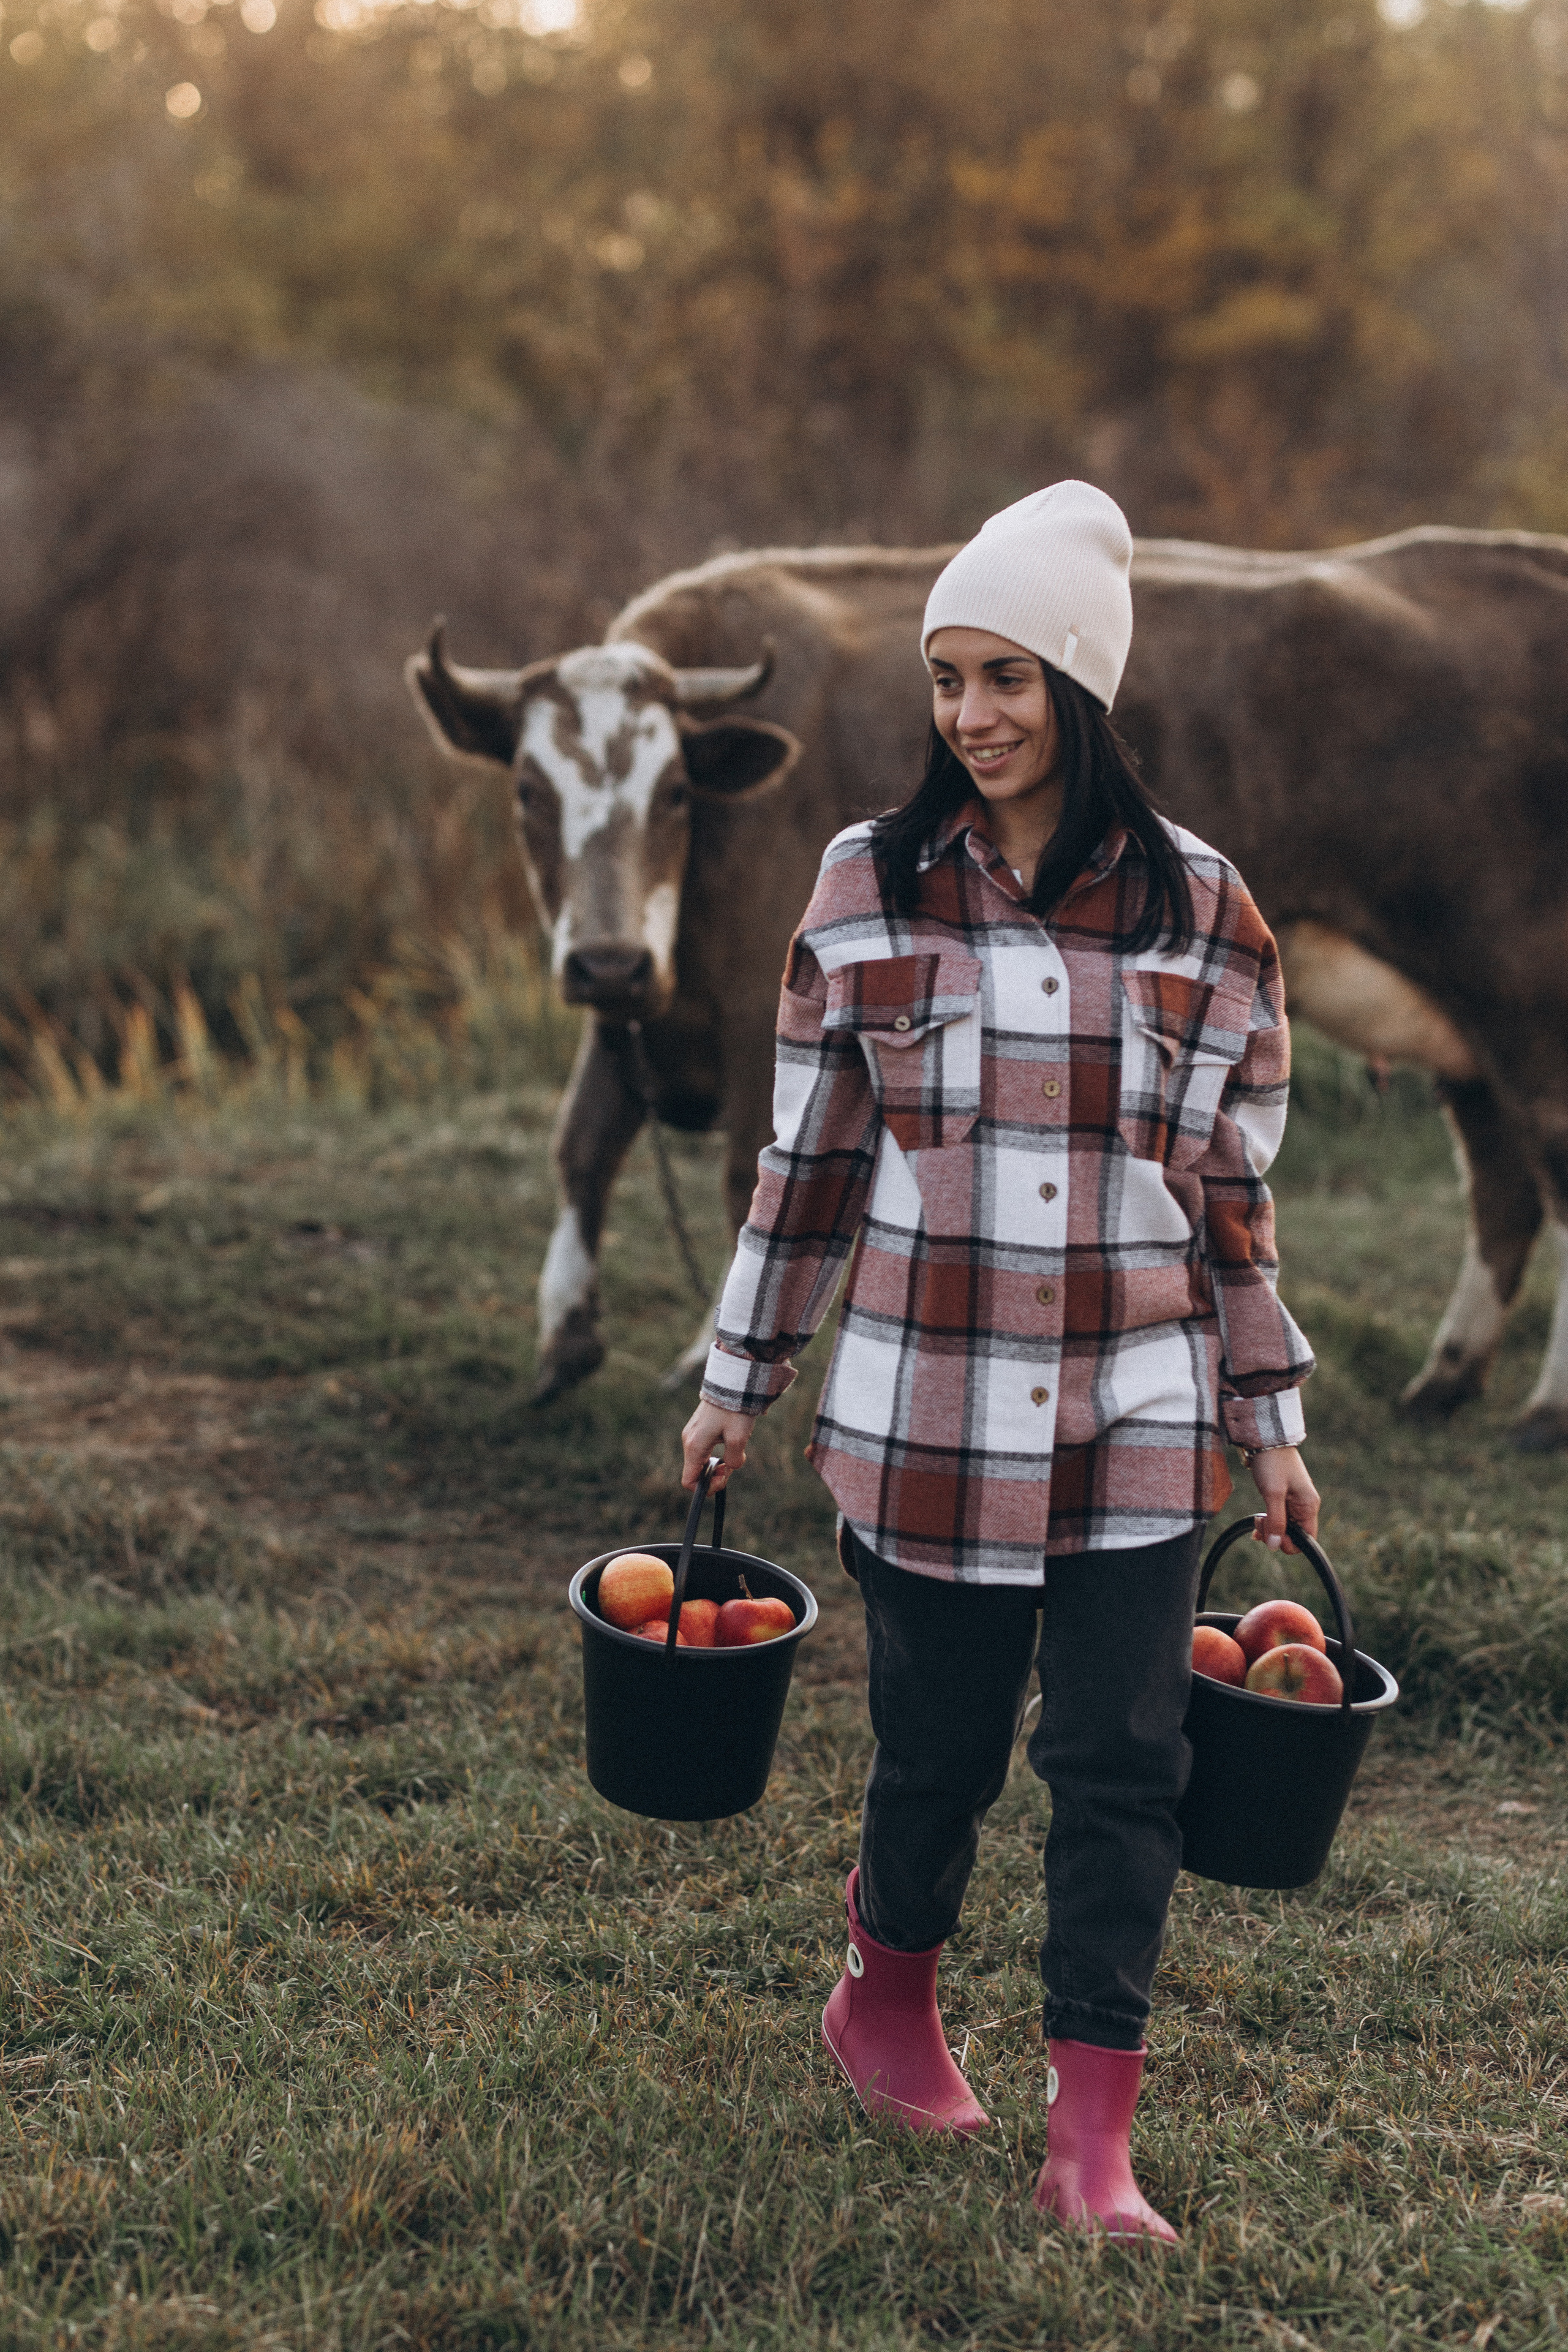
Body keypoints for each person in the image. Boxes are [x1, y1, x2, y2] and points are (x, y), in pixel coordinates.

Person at [679, 481, 1318, 2245]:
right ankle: (883, 2001)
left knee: (1126, 1762)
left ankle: (1089, 2142)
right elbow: (807, 1166)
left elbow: (1231, 1192)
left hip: (1133, 1410)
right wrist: (740, 1375)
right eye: (948, 680)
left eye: (1009, 680)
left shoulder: (1204, 911)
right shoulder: (866, 889)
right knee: (939, 1753)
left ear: (1083, 690)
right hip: (926, 1411)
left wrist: (1268, 1416)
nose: (970, 717)